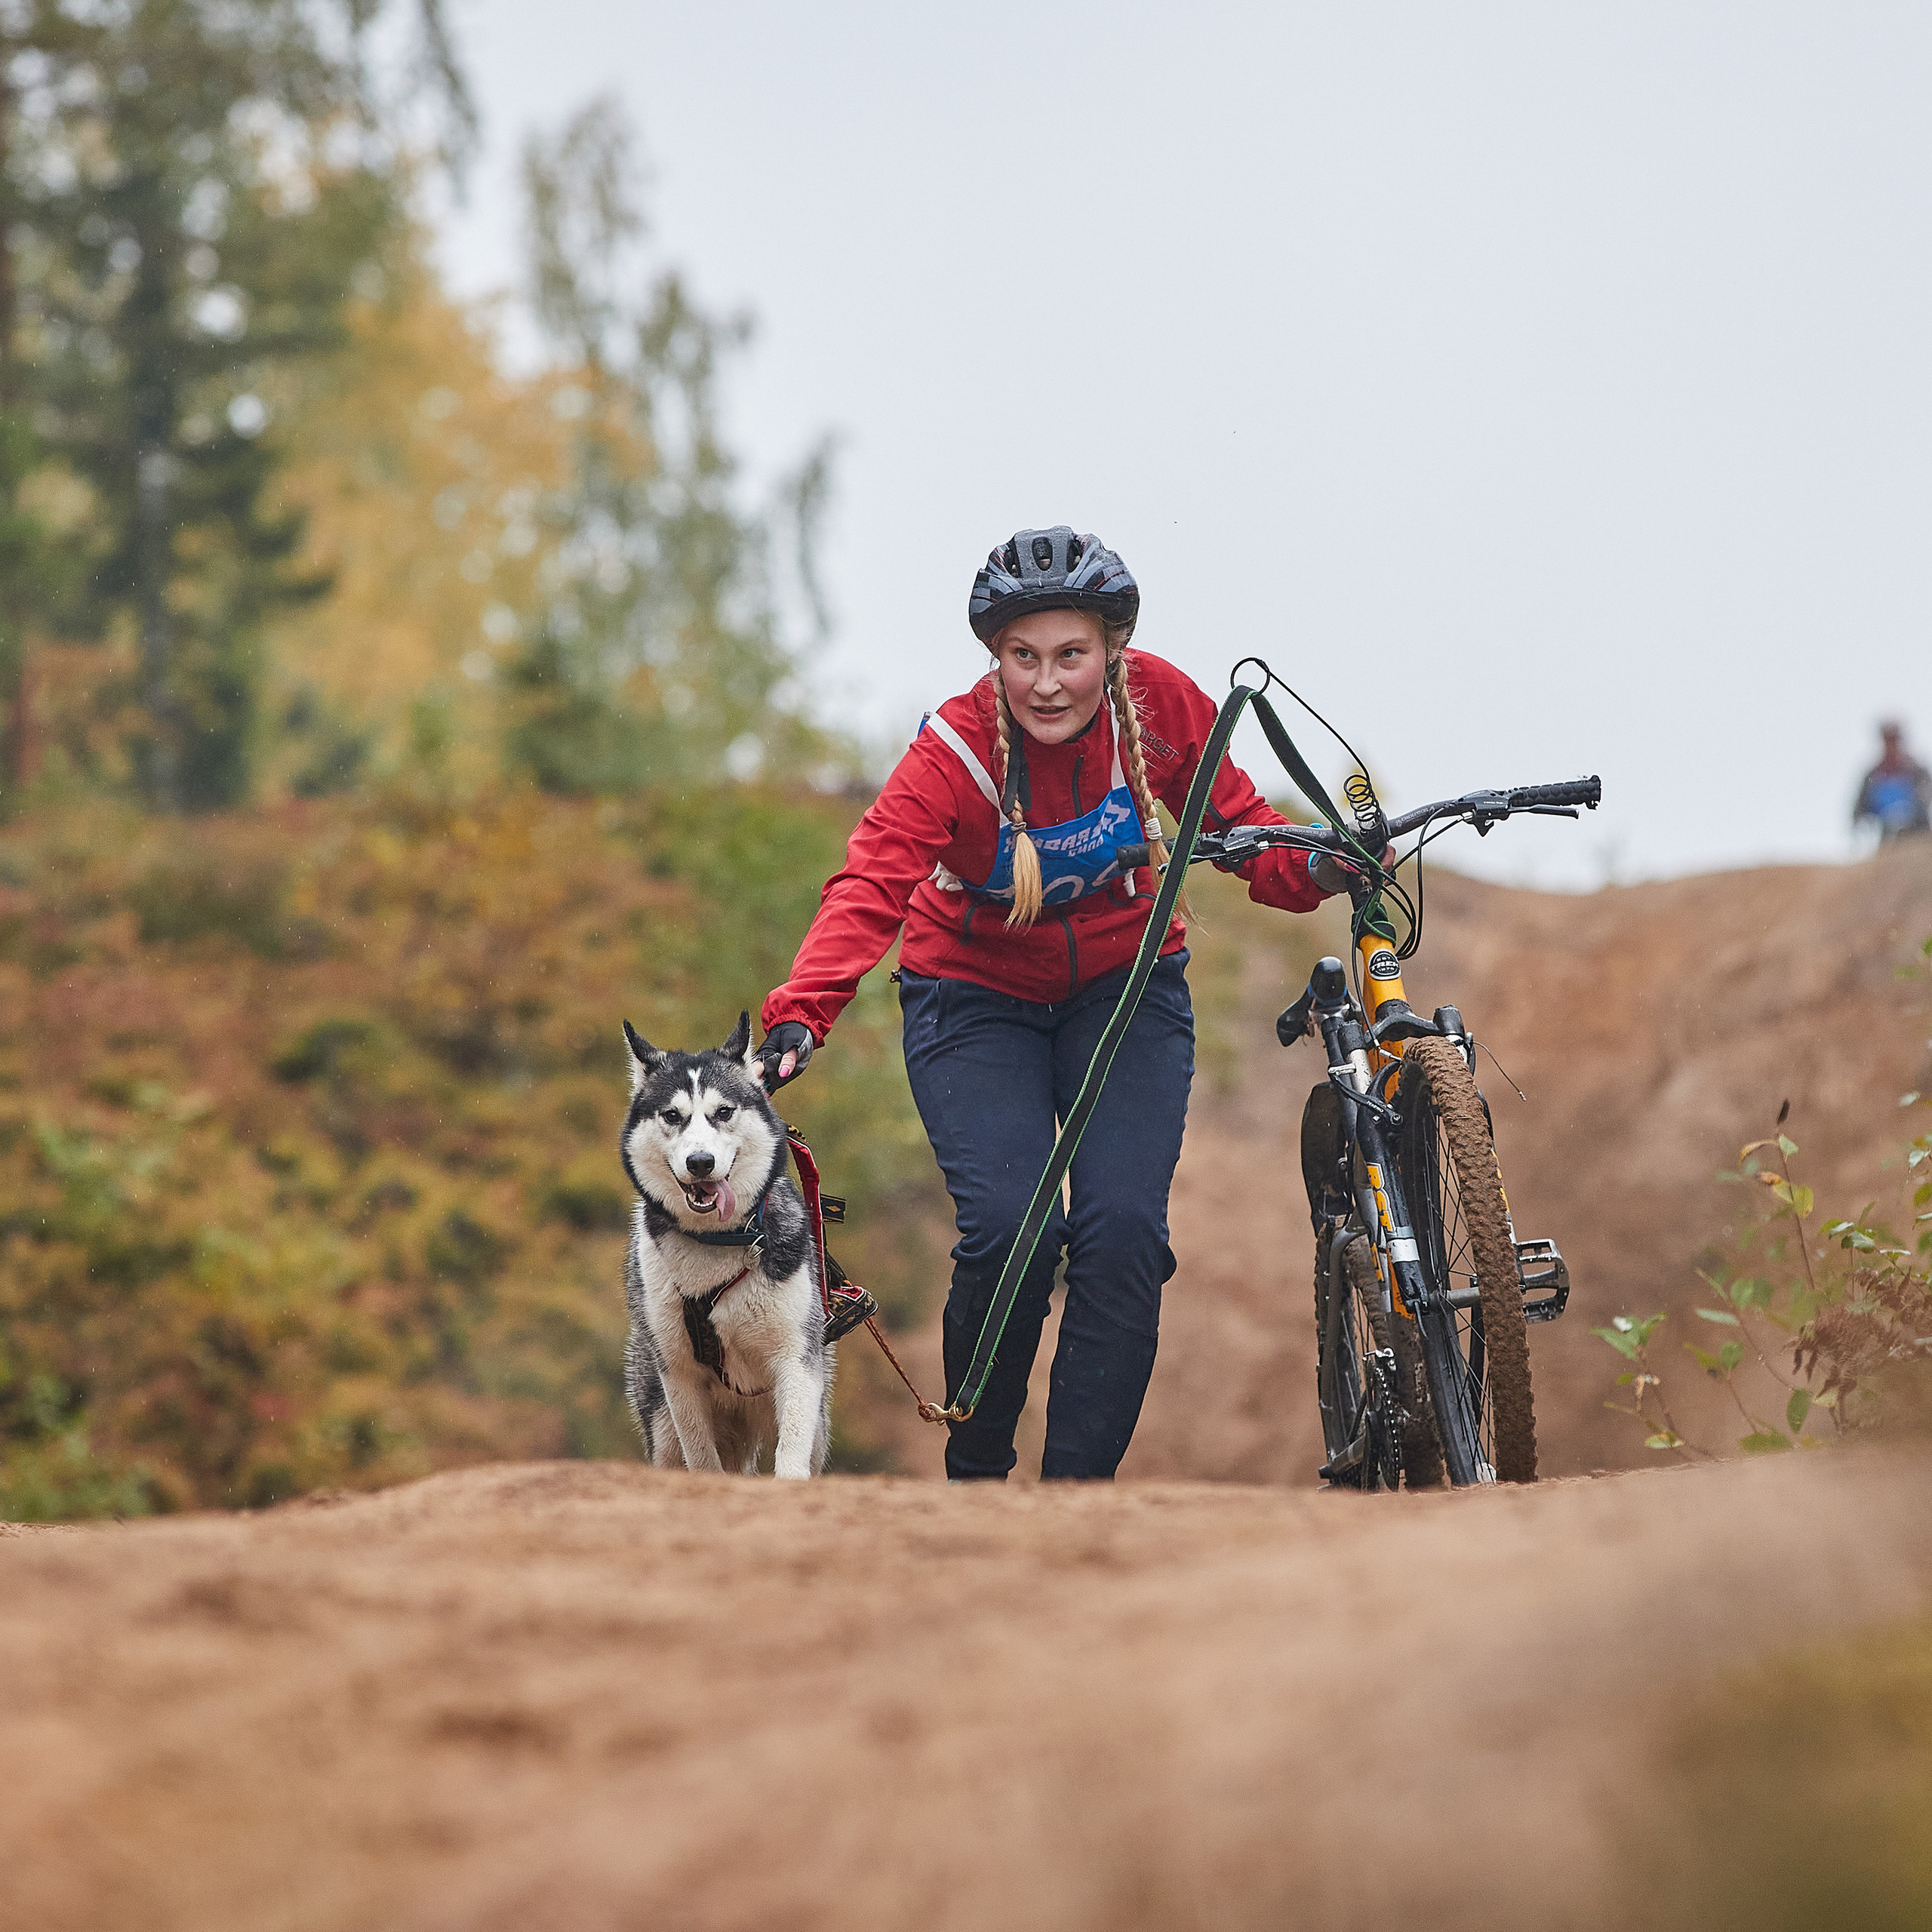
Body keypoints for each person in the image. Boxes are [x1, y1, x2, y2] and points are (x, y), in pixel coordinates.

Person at [752, 527, 1358, 1481]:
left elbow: (1243, 826)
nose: (1046, 682)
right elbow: (870, 881)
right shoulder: (952, 749)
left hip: (1127, 988)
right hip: (971, 996)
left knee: (1122, 1235)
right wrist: (802, 1009)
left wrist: (1315, 862)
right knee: (1011, 1230)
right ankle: (979, 1466)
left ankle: (1079, 1496)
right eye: (1022, 657)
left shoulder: (1156, 705)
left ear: (1110, 651)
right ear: (995, 657)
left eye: (1070, 654)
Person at [1853, 721, 1931, 842]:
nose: (1891, 746)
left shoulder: (1916, 772)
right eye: (1888, 741)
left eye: (1894, 741)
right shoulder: (1873, 776)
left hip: (1917, 834)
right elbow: (1860, 807)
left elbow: (1925, 797)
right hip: (1887, 836)